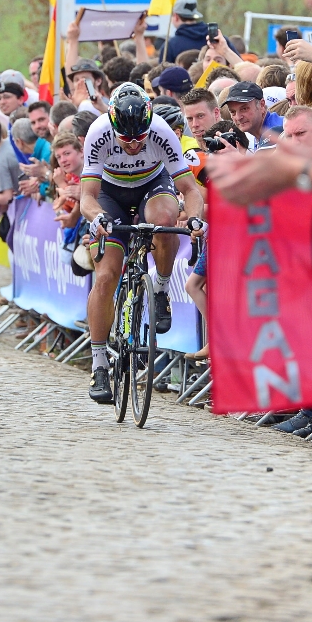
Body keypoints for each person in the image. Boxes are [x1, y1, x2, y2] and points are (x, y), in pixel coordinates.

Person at [80, 84, 205, 404]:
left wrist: (192, 219)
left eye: (140, 137)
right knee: (106, 276)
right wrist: (97, 219)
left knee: (164, 221)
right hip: (110, 194)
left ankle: (160, 289)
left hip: (152, 185)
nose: (134, 144)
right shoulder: (99, 132)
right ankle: (99, 365)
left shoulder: (162, 132)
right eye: (127, 138)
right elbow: (87, 198)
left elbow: (190, 190)